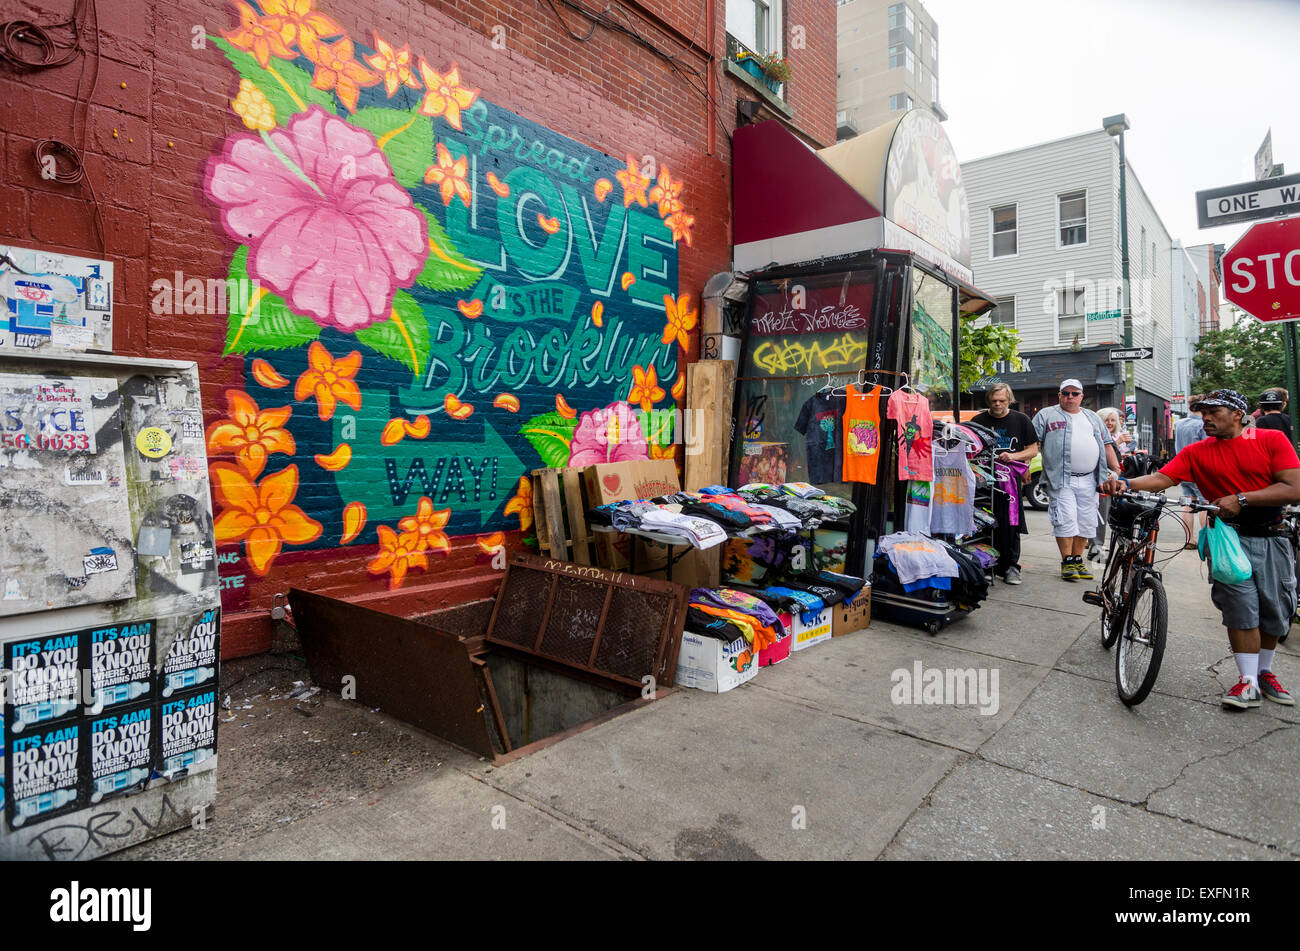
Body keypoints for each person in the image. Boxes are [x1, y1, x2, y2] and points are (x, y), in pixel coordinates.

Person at [1101, 389, 1300, 710]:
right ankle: (1247, 681)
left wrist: (1243, 498)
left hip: (1272, 537)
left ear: (1238, 414)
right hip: (1227, 539)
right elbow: (1164, 477)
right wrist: (1127, 483)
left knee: (1274, 612)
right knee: (1240, 609)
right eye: (1203, 412)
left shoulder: (1270, 440)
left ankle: (1265, 672)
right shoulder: (1197, 451)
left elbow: (1294, 488)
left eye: (1214, 412)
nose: (1205, 417)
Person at [1032, 379, 1122, 582]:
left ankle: (1077, 559)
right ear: (1059, 395)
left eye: (1075, 394)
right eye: (1066, 393)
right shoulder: (1046, 415)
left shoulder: (1092, 417)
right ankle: (1067, 562)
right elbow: (1033, 442)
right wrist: (1025, 467)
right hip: (1061, 479)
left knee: (1086, 521)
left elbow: (1107, 444)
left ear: (1082, 396)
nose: (1070, 397)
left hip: (1090, 479)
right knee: (1065, 519)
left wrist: (1115, 469)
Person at [971, 383, 1039, 585]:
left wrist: (1013, 456)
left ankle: (1010, 567)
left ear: (1009, 400)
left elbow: (1033, 450)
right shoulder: (978, 421)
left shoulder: (1021, 420)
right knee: (982, 523)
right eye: (994, 401)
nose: (998, 404)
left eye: (1002, 400)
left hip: (1009, 483)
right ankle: (985, 564)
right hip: (982, 482)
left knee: (1010, 523)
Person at [1089, 408, 1129, 561]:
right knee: (1099, 515)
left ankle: (1095, 545)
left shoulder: (1109, 438)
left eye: (1113, 420)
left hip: (1110, 479)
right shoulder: (1097, 437)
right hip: (1102, 481)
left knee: (1103, 515)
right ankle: (1095, 548)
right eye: (1106, 420)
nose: (1110, 423)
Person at [1174, 398, 1209, 548]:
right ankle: (1206, 539)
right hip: (1199, 469)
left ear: (1189, 407)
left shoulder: (1179, 424)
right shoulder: (1203, 425)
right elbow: (1208, 447)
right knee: (1204, 504)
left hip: (1182, 467)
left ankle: (1189, 539)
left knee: (1188, 503)